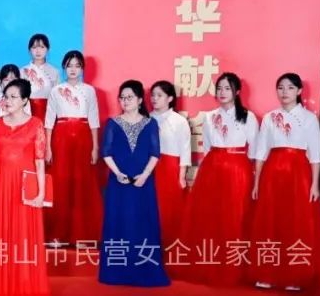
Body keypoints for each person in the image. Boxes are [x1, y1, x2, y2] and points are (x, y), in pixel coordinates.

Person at [249, 73, 320, 291]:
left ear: (299, 91)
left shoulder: (309, 118)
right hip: (272, 174)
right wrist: (256, 182)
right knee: (270, 222)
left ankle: (295, 276)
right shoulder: (269, 117)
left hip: (298, 175)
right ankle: (267, 273)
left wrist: (314, 184)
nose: (285, 92)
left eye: (290, 88)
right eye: (281, 87)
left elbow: (315, 155)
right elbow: (261, 152)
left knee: (296, 222)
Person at [177, 72, 258, 287]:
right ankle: (209, 263)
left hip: (238, 168)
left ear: (237, 92)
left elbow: (255, 151)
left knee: (235, 217)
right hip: (212, 168)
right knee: (211, 217)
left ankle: (234, 265)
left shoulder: (248, 117)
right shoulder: (209, 116)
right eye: (219, 88)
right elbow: (207, 147)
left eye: (227, 88)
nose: (222, 92)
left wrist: (251, 175)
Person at [0, 78, 49, 296]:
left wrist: (41, 193)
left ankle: (24, 286)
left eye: (13, 97)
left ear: (25, 100)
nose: (8, 101)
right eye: (6, 96)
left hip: (25, 188)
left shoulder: (36, 125)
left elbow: (39, 161)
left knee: (24, 235)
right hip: (0, 185)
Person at [98, 80, 169, 287]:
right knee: (118, 223)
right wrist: (118, 173)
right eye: (122, 97)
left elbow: (155, 153)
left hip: (143, 183)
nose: (125, 101)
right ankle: (116, 272)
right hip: (118, 183)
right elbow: (106, 152)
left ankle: (144, 269)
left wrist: (145, 175)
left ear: (139, 100)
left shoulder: (150, 124)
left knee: (143, 223)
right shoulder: (113, 123)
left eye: (129, 97)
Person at [43, 51, 102, 245]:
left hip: (84, 138)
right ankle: (57, 234)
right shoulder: (56, 90)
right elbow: (49, 121)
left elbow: (94, 119)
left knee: (82, 184)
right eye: (69, 66)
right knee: (61, 183)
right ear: (64, 68)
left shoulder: (89, 91)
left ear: (82, 68)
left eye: (77, 65)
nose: (73, 69)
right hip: (60, 138)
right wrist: (48, 147)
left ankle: (82, 235)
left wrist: (95, 147)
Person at [148, 81, 190, 251]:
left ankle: (171, 246)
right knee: (149, 207)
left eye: (159, 95)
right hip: (148, 168)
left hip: (170, 167)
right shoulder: (146, 118)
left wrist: (181, 175)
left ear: (170, 98)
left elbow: (185, 149)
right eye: (152, 95)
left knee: (169, 208)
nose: (154, 98)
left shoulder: (179, 121)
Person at [21, 34, 59, 121]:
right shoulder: (22, 71)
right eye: (34, 47)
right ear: (29, 50)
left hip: (48, 112)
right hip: (27, 112)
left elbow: (56, 97)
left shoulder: (54, 71)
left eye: (42, 47)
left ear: (47, 49)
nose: (38, 51)